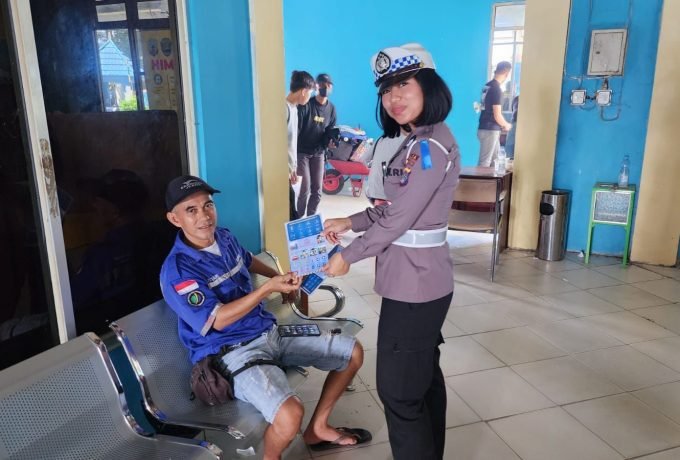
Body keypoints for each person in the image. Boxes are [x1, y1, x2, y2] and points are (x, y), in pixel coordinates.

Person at [159, 175, 370, 460]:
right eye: (191, 210)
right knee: (290, 414)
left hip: (268, 332)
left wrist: (279, 279)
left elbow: (246, 260)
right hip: (231, 353)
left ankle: (318, 428)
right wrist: (268, 289)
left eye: (208, 205)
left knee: (352, 352)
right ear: (174, 219)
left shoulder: (224, 237)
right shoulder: (178, 270)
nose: (204, 216)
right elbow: (217, 320)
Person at [321, 43, 461, 460]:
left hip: (416, 287)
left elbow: (399, 219)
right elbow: (393, 208)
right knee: (422, 379)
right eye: (386, 90)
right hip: (415, 280)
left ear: (429, 88)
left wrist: (348, 254)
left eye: (404, 86)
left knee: (399, 393)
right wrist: (350, 222)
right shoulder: (416, 141)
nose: (393, 98)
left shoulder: (429, 148)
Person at [296, 73, 337, 217]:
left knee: (317, 190)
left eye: (328, 85)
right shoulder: (306, 105)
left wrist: (330, 142)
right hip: (302, 153)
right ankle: (298, 219)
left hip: (318, 153)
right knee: (304, 189)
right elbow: (296, 129)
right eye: (322, 84)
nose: (326, 87)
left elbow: (330, 130)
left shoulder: (331, 109)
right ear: (316, 86)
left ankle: (311, 220)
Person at [285, 70, 316, 220]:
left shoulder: (294, 109)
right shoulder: (283, 108)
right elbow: (278, 144)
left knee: (291, 209)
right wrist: (286, 169)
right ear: (304, 91)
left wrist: (293, 167)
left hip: (288, 171)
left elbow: (291, 142)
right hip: (280, 172)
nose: (309, 96)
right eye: (310, 92)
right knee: (289, 212)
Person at [477, 61, 512, 167]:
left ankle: (491, 179)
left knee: (495, 161)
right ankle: (479, 179)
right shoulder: (497, 89)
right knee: (485, 162)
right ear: (506, 74)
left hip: (484, 127)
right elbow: (497, 115)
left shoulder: (487, 86)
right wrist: (506, 125)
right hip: (490, 130)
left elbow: (483, 106)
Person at [363, 132, 405, 206]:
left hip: (374, 190)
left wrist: (375, 166)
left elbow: (364, 159)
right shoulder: (409, 140)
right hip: (393, 192)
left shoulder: (381, 138)